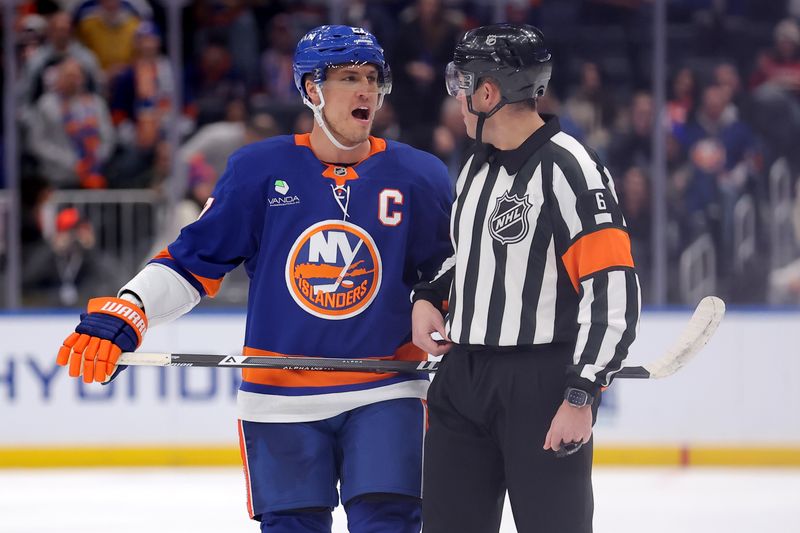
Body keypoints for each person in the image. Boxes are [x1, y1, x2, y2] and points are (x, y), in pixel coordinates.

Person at [55, 25, 453, 533]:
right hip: (278, 398)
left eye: (373, 77)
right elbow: (192, 260)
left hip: (387, 390)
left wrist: (444, 310)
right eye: (349, 77)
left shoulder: (419, 175)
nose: (366, 91)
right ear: (311, 89)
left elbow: (446, 270)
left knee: (388, 523)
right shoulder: (257, 170)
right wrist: (131, 306)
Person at [411, 24, 641, 533]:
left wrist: (582, 393)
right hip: (462, 376)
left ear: (488, 92)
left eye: (463, 83)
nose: (458, 96)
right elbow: (467, 256)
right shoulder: (477, 164)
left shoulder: (570, 168)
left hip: (539, 386)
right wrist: (430, 295)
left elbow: (613, 289)